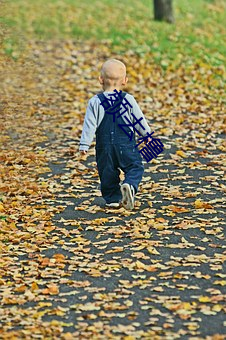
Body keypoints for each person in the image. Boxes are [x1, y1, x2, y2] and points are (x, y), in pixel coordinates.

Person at [79, 59, 151, 210]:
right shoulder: (128, 99)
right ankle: (129, 185)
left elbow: (89, 125)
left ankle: (112, 199)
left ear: (101, 79)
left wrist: (84, 144)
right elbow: (138, 120)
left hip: (104, 146)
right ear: (125, 81)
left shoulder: (95, 102)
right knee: (135, 167)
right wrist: (147, 135)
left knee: (107, 172)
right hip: (126, 144)